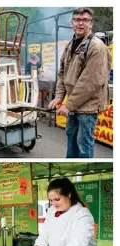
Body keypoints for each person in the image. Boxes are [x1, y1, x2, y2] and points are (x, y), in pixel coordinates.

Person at [48, 8, 110, 158]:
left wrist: (68, 105)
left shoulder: (96, 46)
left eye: (85, 20)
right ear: (72, 23)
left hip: (88, 106)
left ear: (91, 24)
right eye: (77, 20)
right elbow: (62, 73)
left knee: (83, 144)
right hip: (74, 103)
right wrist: (59, 96)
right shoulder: (71, 44)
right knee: (71, 139)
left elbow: (89, 83)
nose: (80, 23)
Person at [27, 178, 98, 246]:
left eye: (57, 199)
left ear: (68, 195)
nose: (54, 204)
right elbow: (45, 234)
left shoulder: (82, 214)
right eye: (51, 200)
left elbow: (78, 242)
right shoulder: (51, 211)